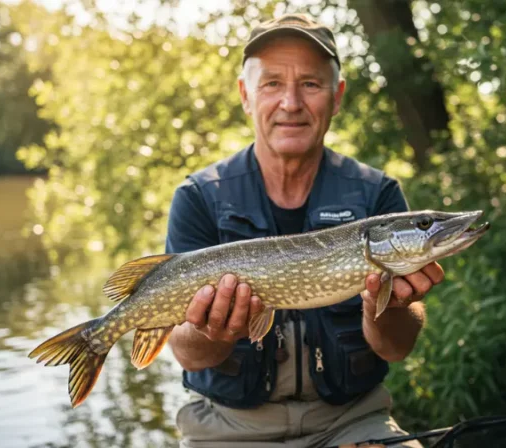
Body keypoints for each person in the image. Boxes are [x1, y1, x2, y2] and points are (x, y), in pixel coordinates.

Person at [165, 13, 444, 448]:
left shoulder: (377, 195)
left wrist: (386, 305)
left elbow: (395, 349)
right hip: (227, 430)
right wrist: (211, 331)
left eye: (311, 84)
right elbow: (184, 351)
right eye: (272, 83)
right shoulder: (199, 197)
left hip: (352, 423)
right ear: (245, 95)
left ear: (337, 97)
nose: (291, 103)